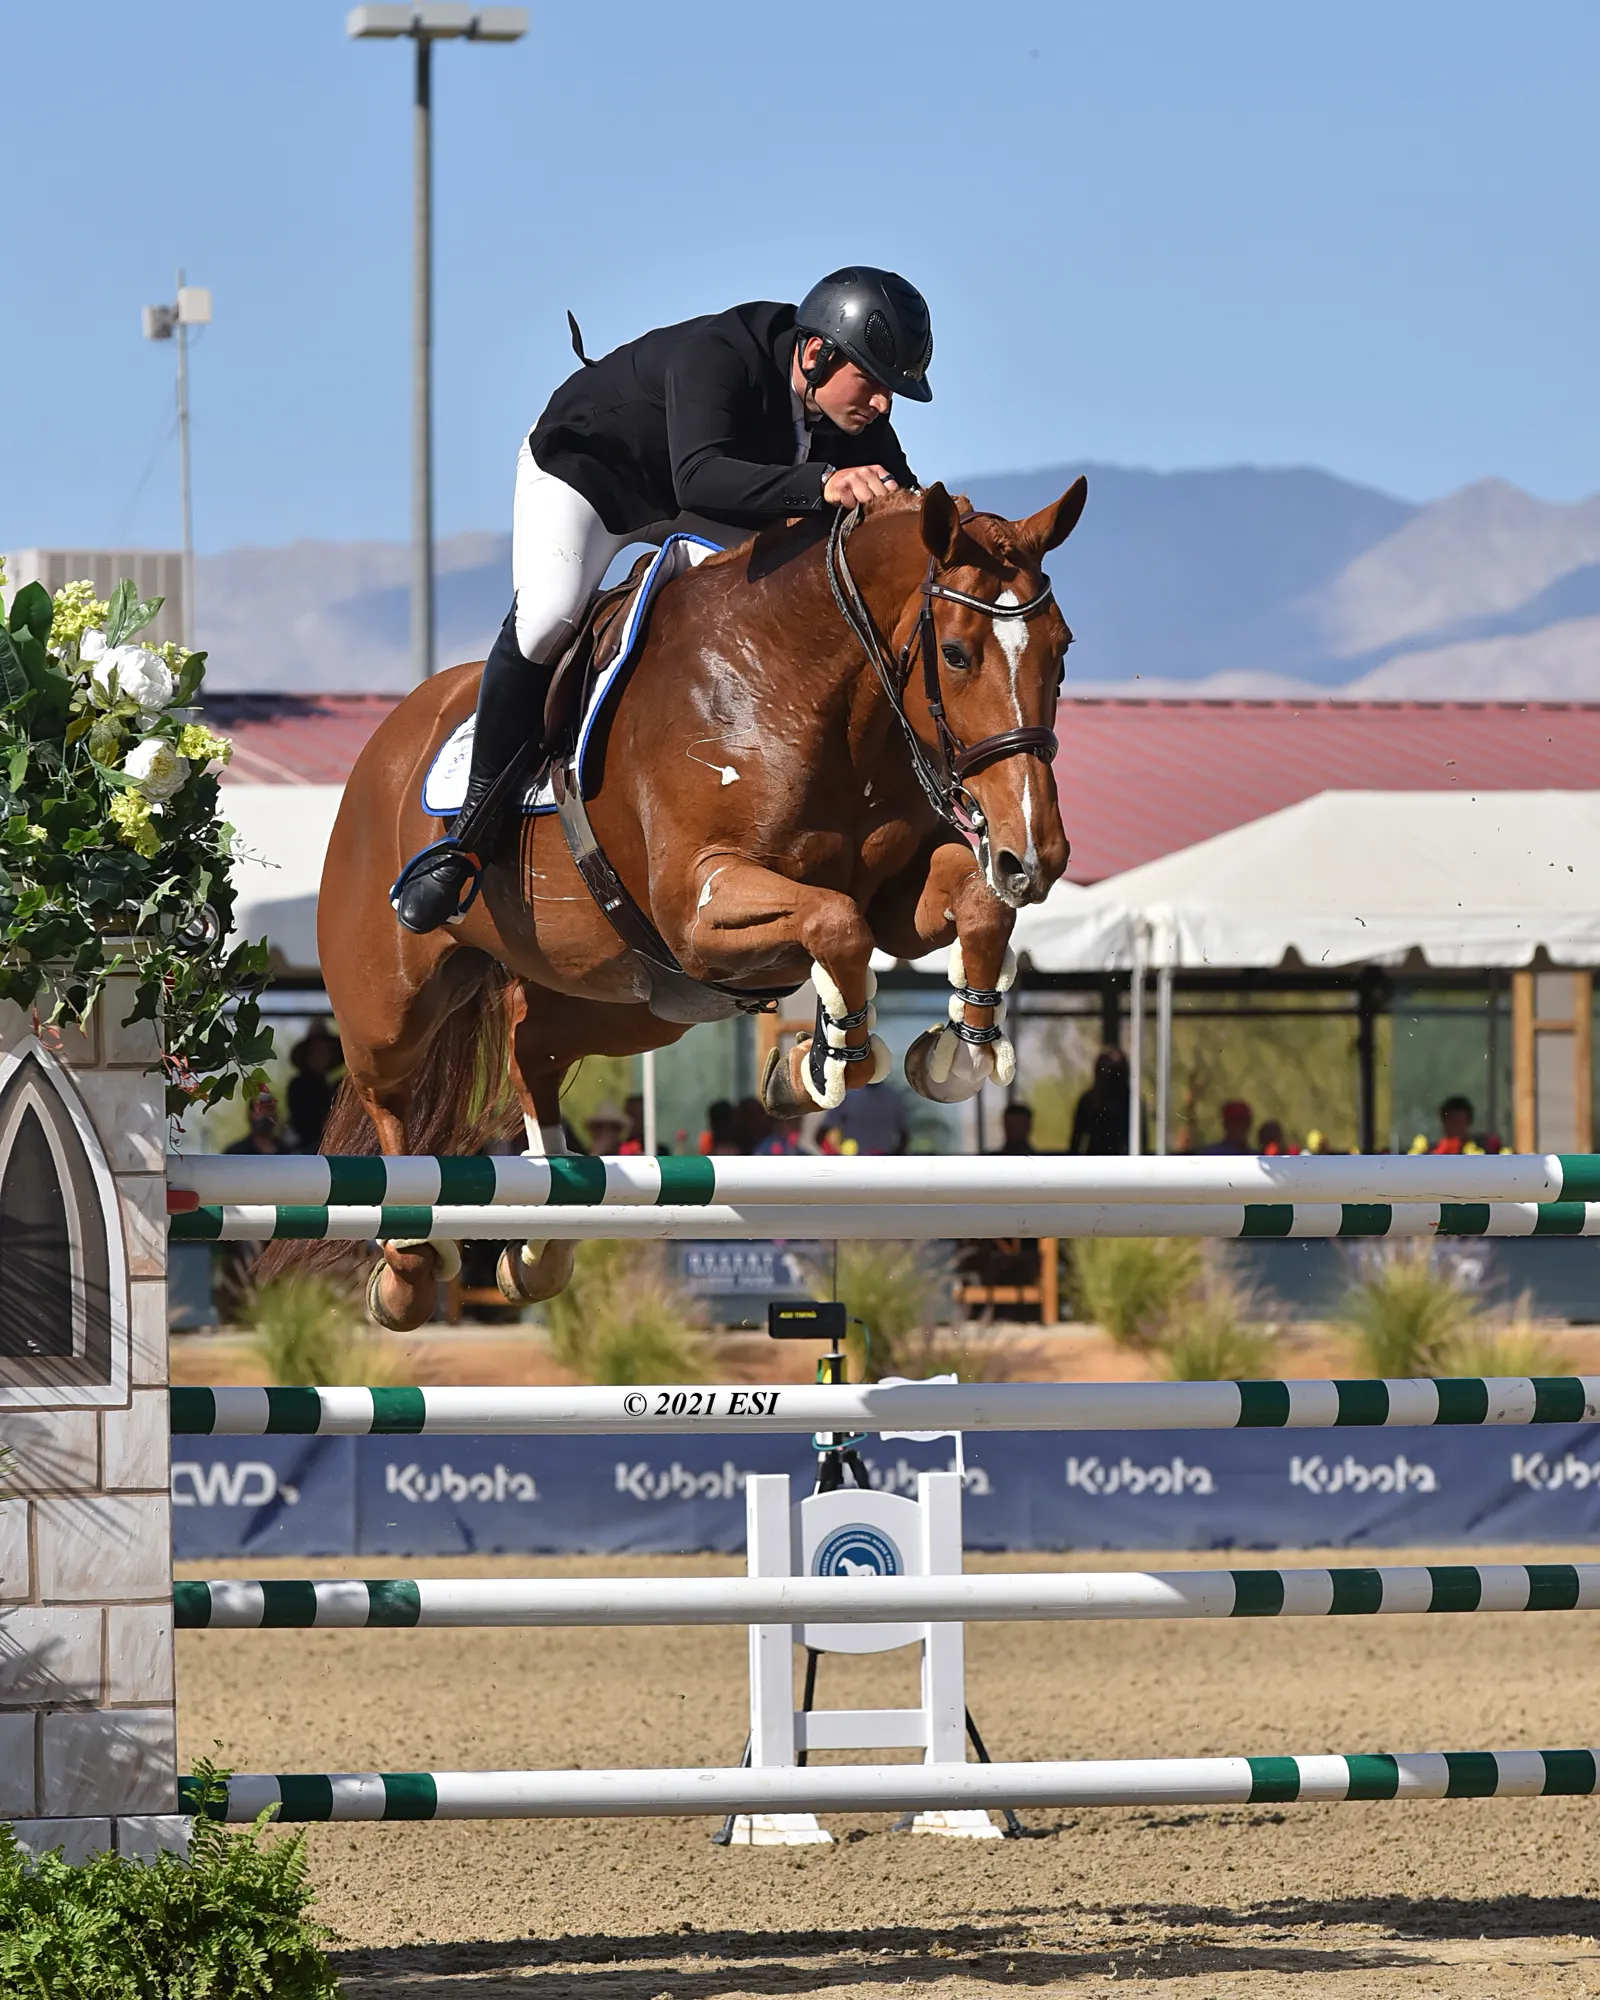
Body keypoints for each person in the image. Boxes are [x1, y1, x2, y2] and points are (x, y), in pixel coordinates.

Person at [392, 268, 934, 935]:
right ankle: (468, 839)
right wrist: (822, 485)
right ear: (818, 354)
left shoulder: (852, 414)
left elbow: (904, 513)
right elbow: (700, 476)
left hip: (698, 502)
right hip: (594, 478)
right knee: (550, 615)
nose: (883, 405)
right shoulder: (723, 356)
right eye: (875, 383)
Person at [285, 1021, 341, 1153]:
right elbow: (301, 1123)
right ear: (308, 1053)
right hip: (307, 1150)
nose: (323, 1054)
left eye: (326, 1050)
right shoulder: (298, 1085)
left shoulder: (335, 1087)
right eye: (318, 1050)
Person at [1070, 1049, 1135, 1155]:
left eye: (1117, 1073)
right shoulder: (1088, 1101)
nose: (1112, 1081)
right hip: (1094, 1163)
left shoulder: (1132, 1103)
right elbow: (1075, 1142)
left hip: (1123, 1164)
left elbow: (1140, 1143)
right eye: (1108, 1073)